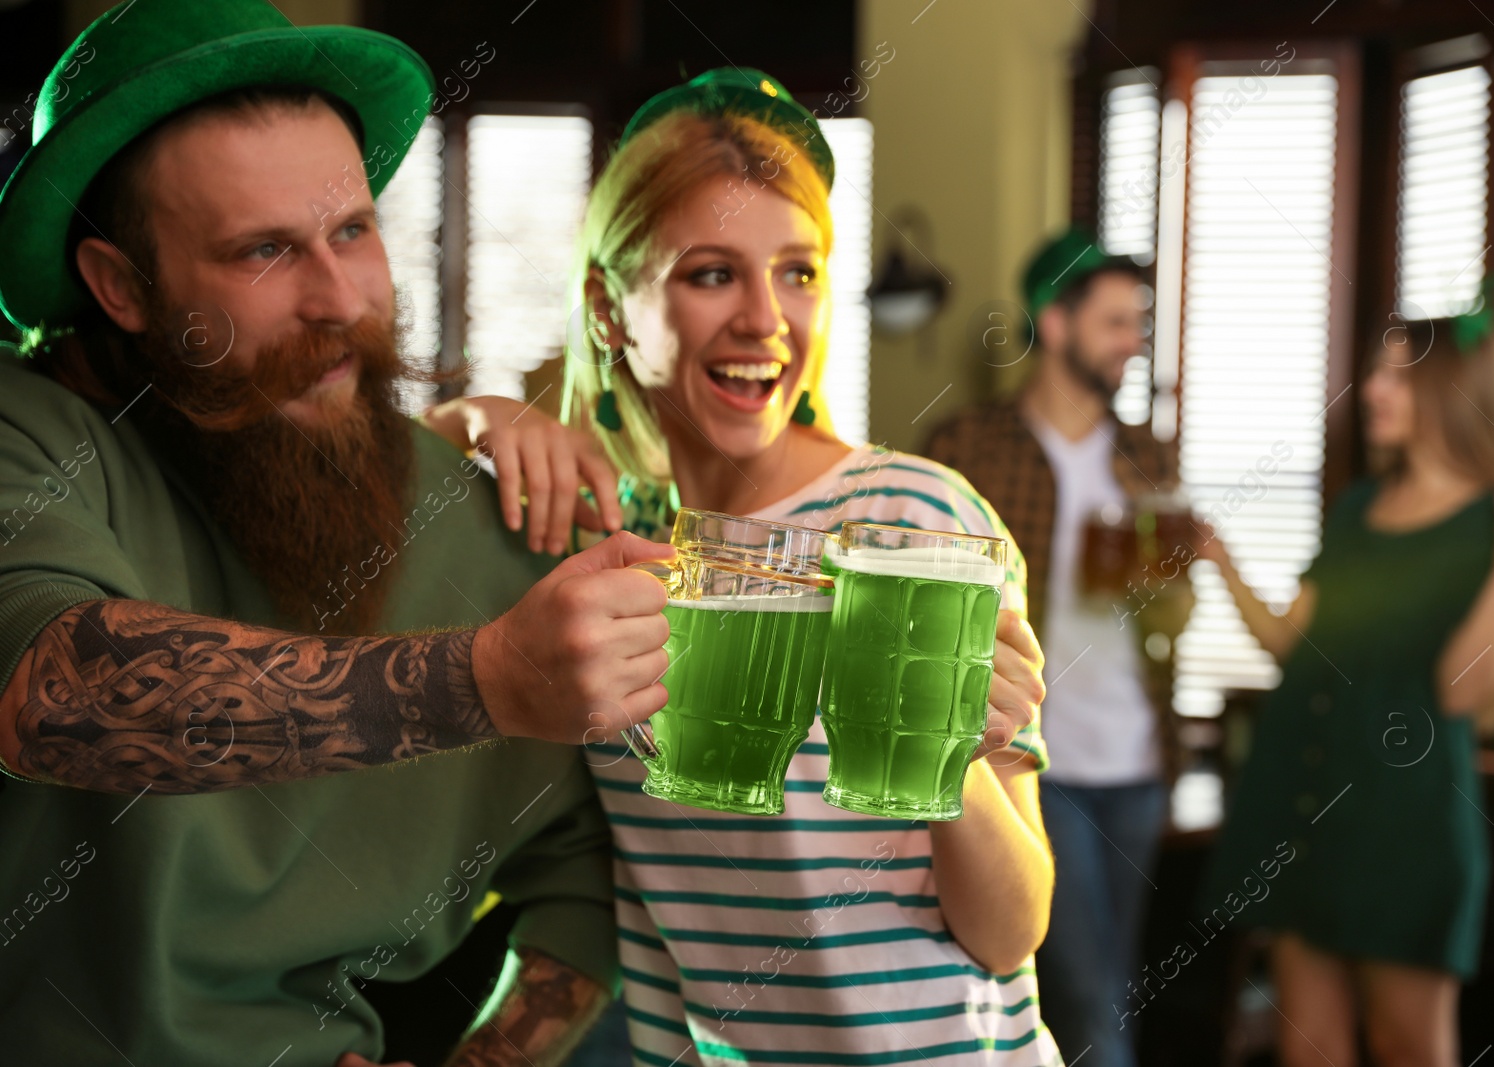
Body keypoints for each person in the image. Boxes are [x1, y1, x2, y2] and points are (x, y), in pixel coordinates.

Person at [0, 1, 676, 1062]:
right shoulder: (26, 435)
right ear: (120, 286)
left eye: (353, 230)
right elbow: (54, 692)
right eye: (264, 251)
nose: (341, 299)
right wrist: (480, 681)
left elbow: (596, 868)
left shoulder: (478, 505)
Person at [433, 68, 1061, 1065]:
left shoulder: (917, 519)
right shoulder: (599, 546)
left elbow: (1009, 928)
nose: (765, 317)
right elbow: (387, 544)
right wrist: (470, 415)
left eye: (798, 271)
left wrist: (957, 767)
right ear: (608, 306)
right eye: (711, 272)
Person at [1195, 315, 1494, 1067]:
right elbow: (1293, 645)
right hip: (1302, 808)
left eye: (1396, 375)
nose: (1374, 391)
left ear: (1449, 391)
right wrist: (1220, 561)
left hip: (1404, 830)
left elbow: (1465, 698)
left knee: (1406, 1047)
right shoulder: (1357, 509)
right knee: (1309, 1049)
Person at [922, 228, 1191, 1066]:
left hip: (1136, 762)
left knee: (1115, 983)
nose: (1132, 341)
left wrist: (1173, 575)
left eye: (1138, 322)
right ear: (1058, 320)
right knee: (1084, 995)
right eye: (1116, 321)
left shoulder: (1147, 454)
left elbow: (1174, 621)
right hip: (1035, 765)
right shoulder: (964, 452)